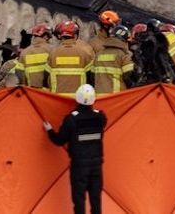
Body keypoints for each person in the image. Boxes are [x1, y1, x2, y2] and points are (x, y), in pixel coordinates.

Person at [45, 84, 107, 214]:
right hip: (96, 165)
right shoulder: (100, 117)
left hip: (79, 166)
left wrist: (49, 130)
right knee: (96, 199)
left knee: (79, 200)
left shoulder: (71, 119)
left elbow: (59, 140)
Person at [48, 21, 93, 95]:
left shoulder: (53, 53)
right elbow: (90, 78)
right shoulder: (84, 53)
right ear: (75, 35)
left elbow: (46, 77)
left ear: (61, 35)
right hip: (78, 98)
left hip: (57, 98)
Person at [91, 24, 134, 94]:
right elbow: (129, 77)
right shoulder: (124, 55)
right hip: (116, 97)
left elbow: (92, 76)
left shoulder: (98, 54)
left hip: (99, 98)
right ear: (124, 40)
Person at [17, 23, 53, 89]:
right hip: (47, 93)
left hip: (31, 92)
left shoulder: (24, 52)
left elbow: (19, 74)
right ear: (46, 36)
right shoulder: (52, 50)